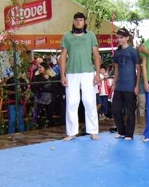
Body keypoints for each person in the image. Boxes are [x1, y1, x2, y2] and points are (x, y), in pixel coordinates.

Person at [59, 12, 101, 141]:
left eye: (81, 20)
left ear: (84, 22)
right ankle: (71, 132)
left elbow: (96, 55)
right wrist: (62, 75)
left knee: (89, 102)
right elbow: (63, 56)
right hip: (71, 73)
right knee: (72, 102)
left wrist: (97, 74)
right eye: (76, 20)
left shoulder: (91, 36)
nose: (78, 22)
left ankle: (93, 131)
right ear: (73, 21)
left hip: (88, 72)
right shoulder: (67, 36)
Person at [111, 27, 140, 140]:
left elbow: (138, 68)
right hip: (119, 86)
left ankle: (129, 133)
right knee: (115, 109)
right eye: (118, 38)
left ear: (127, 38)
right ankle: (121, 130)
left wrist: (137, 85)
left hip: (130, 86)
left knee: (130, 110)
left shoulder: (133, 51)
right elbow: (116, 69)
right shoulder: (117, 52)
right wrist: (114, 83)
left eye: (122, 37)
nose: (119, 40)